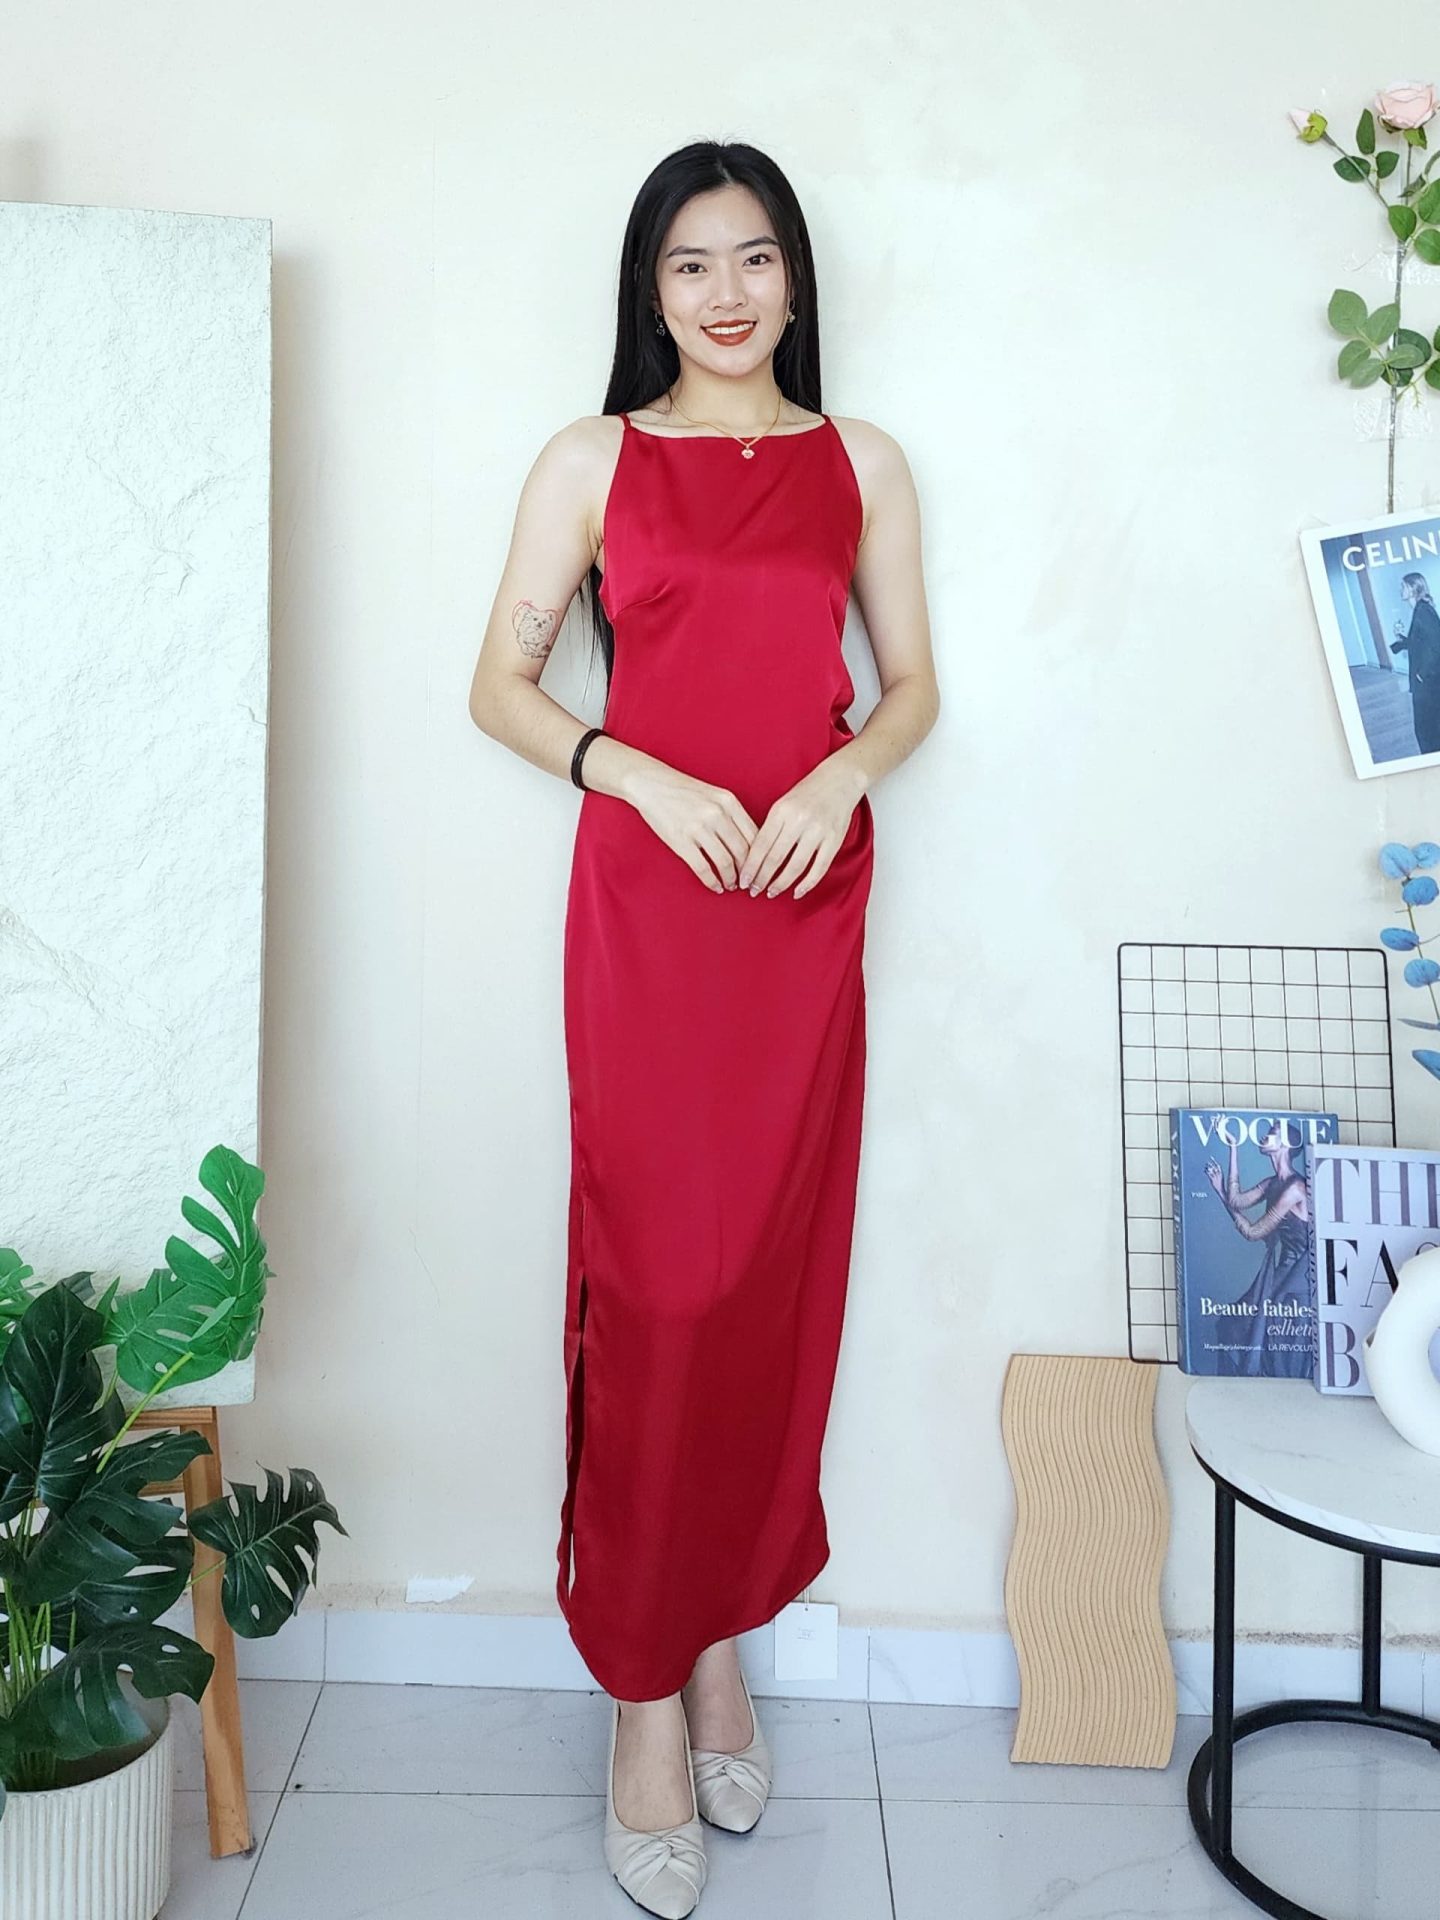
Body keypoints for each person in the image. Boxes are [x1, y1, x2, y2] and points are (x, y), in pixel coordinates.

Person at [469, 139, 939, 1917]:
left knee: (766, 1288)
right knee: (658, 1290)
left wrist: (841, 773)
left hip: (802, 909)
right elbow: (498, 685)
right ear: (648, 292)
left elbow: (915, 687)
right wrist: (632, 769)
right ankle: (643, 1691)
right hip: (654, 916)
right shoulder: (589, 462)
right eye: (690, 264)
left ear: (794, 279)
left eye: (754, 258)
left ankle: (720, 1631)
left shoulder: (862, 461)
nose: (726, 292)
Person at [1203, 1121, 1311, 1370]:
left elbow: (1252, 1232)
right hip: (1282, 1273)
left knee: (1253, 1333)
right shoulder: (1272, 1183)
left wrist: (1221, 1194)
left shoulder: (1296, 1188)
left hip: (1298, 1280)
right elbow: (1236, 1201)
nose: (1264, 1136)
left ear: (1286, 1144)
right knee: (1233, 1327)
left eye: (1272, 1133)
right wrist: (1233, 1147)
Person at [1391, 569, 1440, 755]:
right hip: (1428, 680)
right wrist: (1400, 640)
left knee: (1425, 727)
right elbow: (1419, 642)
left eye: (1403, 586)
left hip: (1428, 681)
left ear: (1412, 589)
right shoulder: (1421, 609)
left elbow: (1437, 644)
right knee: (1429, 725)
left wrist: (1422, 674)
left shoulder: (1423, 611)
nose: (1400, 590)